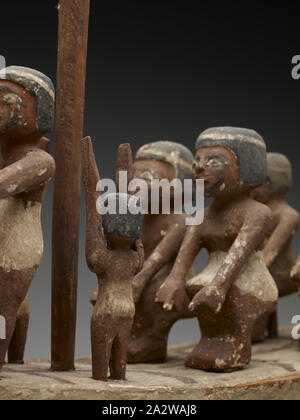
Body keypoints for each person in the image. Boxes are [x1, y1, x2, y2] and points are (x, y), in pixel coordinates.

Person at [157, 127, 278, 371]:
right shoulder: (201, 217)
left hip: (249, 283)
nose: (199, 168)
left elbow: (238, 256)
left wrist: (219, 287)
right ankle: (211, 341)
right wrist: (174, 281)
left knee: (222, 291)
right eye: (197, 160)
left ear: (247, 168)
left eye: (214, 161)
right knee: (197, 285)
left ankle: (236, 346)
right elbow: (183, 261)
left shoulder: (257, 212)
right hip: (216, 282)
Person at [0, 66, 55, 371]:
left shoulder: (40, 161)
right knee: (12, 302)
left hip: (16, 247)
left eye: (6, 100)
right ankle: (16, 355)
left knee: (4, 305)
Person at [82, 138, 144, 381]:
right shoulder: (134, 260)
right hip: (128, 311)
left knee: (102, 371)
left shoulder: (103, 259)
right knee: (119, 367)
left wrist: (93, 203)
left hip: (106, 312)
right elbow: (139, 243)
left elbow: (94, 226)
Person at [251, 153, 299, 340]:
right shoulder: (256, 212)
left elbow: (268, 255)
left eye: (254, 182)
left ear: (267, 183)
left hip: (283, 276)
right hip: (265, 272)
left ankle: (256, 331)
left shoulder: (288, 216)